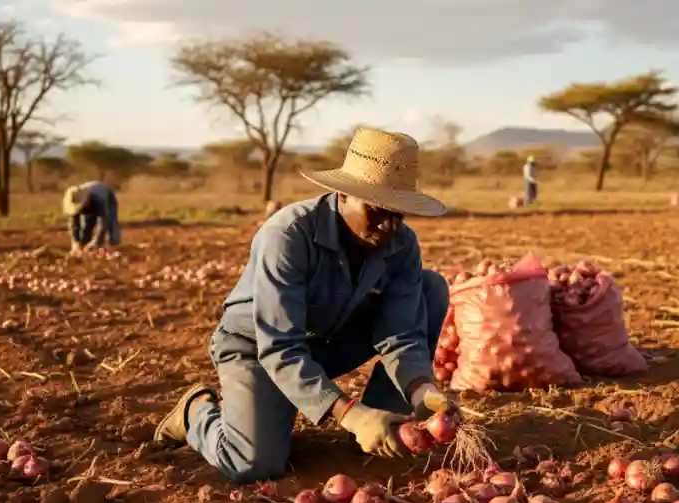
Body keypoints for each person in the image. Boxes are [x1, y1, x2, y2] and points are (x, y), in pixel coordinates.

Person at [154, 127, 460, 483]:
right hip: (259, 347)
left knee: (431, 288)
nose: (389, 225)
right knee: (253, 464)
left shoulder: (401, 243)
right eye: (377, 210)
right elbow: (280, 348)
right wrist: (350, 413)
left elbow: (403, 334)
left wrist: (422, 389)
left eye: (399, 214)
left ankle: (379, 421)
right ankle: (196, 412)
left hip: (329, 340)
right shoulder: (288, 235)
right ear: (343, 194)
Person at [63, 181, 120, 250]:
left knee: (112, 222)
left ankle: (115, 245)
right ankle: (85, 244)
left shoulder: (99, 199)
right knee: (87, 225)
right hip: (90, 201)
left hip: (107, 196)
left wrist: (97, 241)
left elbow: (103, 221)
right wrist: (76, 242)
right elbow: (74, 225)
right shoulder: (75, 197)